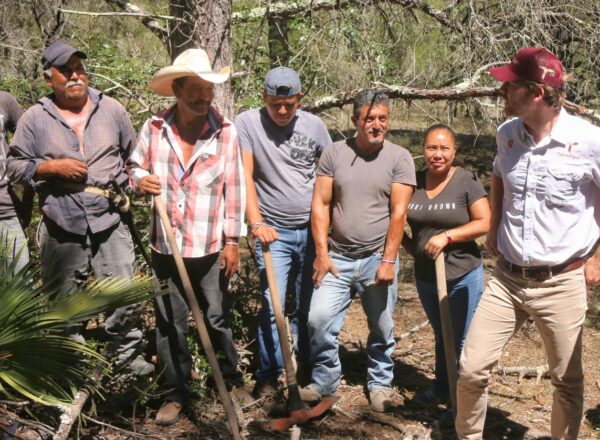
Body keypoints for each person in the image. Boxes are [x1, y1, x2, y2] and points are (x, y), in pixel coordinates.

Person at [456, 47, 600, 439]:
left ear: (536, 91)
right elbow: (499, 175)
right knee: (472, 368)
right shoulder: (507, 135)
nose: (501, 91)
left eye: (509, 85)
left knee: (566, 381)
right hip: (507, 279)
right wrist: (495, 226)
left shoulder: (589, 141)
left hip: (561, 281)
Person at [6, 40, 152, 375]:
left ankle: (128, 362)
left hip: (110, 219)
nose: (75, 76)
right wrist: (47, 169)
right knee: (64, 303)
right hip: (60, 220)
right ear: (49, 78)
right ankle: (73, 366)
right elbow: (13, 167)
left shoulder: (112, 110)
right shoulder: (33, 119)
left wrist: (140, 181)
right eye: (65, 70)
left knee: (122, 293)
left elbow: (133, 162)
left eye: (79, 69)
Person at [129, 48, 250, 426]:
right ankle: (175, 392)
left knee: (216, 317)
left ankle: (229, 380)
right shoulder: (153, 129)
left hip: (211, 247)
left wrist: (233, 242)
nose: (203, 97)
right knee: (170, 322)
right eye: (195, 89)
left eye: (208, 89)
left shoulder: (225, 133)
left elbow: (235, 189)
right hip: (166, 246)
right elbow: (133, 167)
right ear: (177, 90)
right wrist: (139, 181)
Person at [303, 89, 415, 412]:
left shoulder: (399, 158)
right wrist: (321, 254)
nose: (376, 125)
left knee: (381, 326)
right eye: (369, 118)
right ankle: (325, 379)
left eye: (382, 118)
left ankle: (380, 382)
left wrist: (388, 261)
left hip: (376, 258)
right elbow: (321, 205)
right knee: (318, 319)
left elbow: (398, 214)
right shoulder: (334, 153)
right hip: (337, 256)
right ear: (355, 120)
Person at [234, 66, 332, 397]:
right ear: (264, 97)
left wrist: (326, 236)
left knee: (308, 303)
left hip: (311, 229)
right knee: (272, 302)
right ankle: (268, 374)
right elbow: (245, 175)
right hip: (272, 231)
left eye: (289, 104)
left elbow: (328, 176)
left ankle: (304, 366)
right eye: (275, 103)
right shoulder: (247, 123)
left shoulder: (314, 126)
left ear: (299, 100)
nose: (282, 111)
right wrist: (256, 222)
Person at [403, 124, 490, 407]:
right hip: (427, 275)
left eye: (444, 148)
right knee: (442, 334)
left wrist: (447, 237)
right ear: (423, 150)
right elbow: (398, 221)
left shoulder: (465, 181)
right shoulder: (413, 182)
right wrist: (413, 249)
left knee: (462, 339)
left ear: (454, 152)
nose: (437, 154)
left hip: (463, 273)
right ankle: (443, 386)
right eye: (431, 148)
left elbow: (485, 222)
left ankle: (463, 401)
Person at [0, 90, 32, 271]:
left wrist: (27, 201)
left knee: (18, 285)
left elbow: (30, 146)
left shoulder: (4, 100)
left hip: (5, 211)